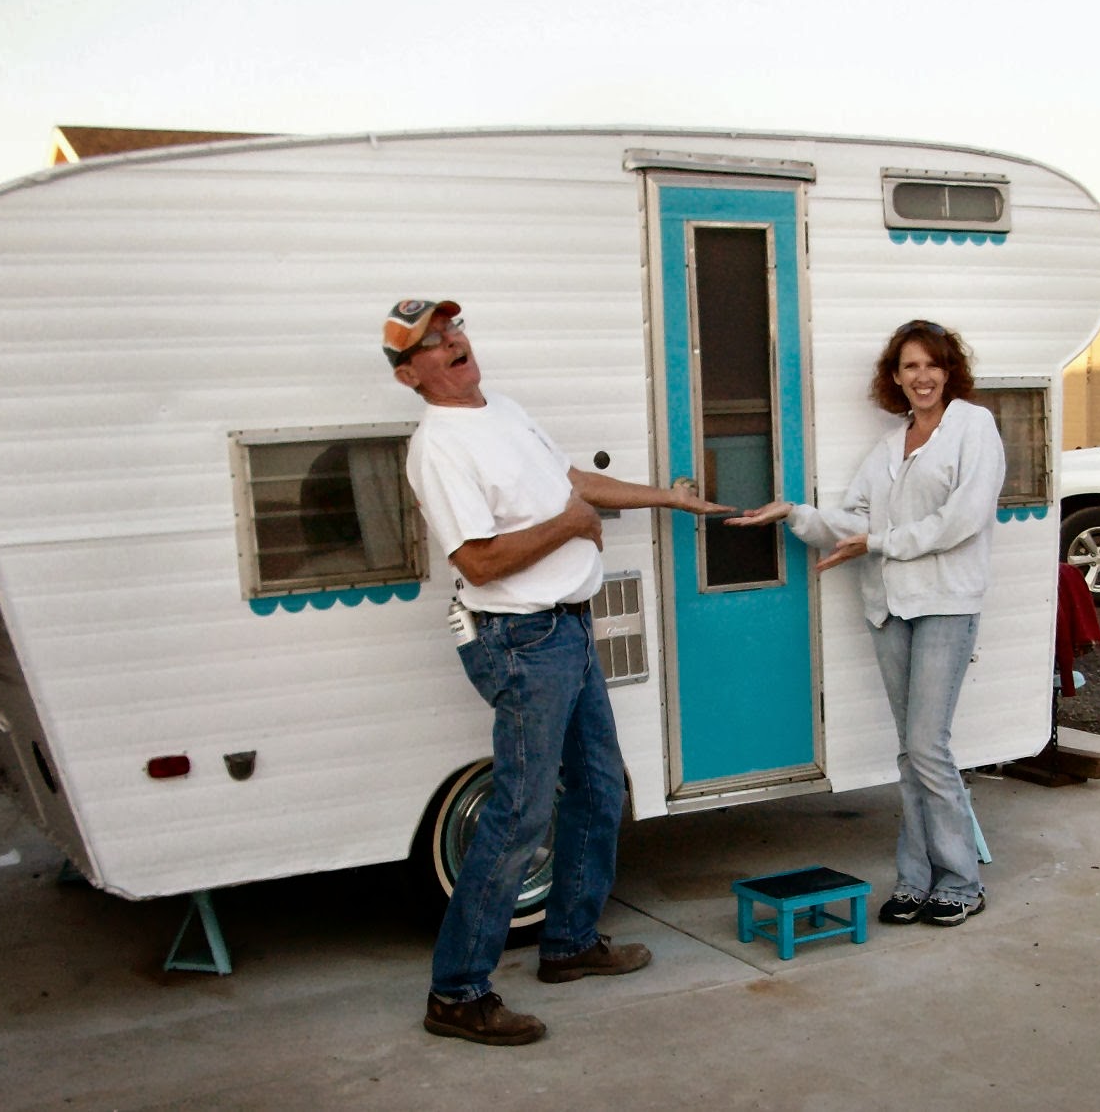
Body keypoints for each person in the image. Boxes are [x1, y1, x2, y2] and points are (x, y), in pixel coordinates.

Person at [384, 298, 730, 1046]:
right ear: (411, 373)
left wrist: (665, 498)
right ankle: (457, 990)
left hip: (566, 627)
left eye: (454, 330)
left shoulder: (500, 409)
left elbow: (566, 481)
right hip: (520, 640)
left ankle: (569, 942)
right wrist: (571, 527)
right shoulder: (438, 446)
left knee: (600, 788)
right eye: (434, 343)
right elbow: (477, 559)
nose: (454, 343)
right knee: (519, 812)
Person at [726, 319, 1005, 929]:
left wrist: (881, 540)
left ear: (950, 370)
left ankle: (961, 879)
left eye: (932, 364)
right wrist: (794, 512)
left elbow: (965, 517)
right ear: (895, 378)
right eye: (909, 366)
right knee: (911, 752)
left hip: (945, 603)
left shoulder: (972, 427)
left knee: (929, 747)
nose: (922, 376)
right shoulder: (889, 446)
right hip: (889, 608)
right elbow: (853, 522)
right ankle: (916, 878)